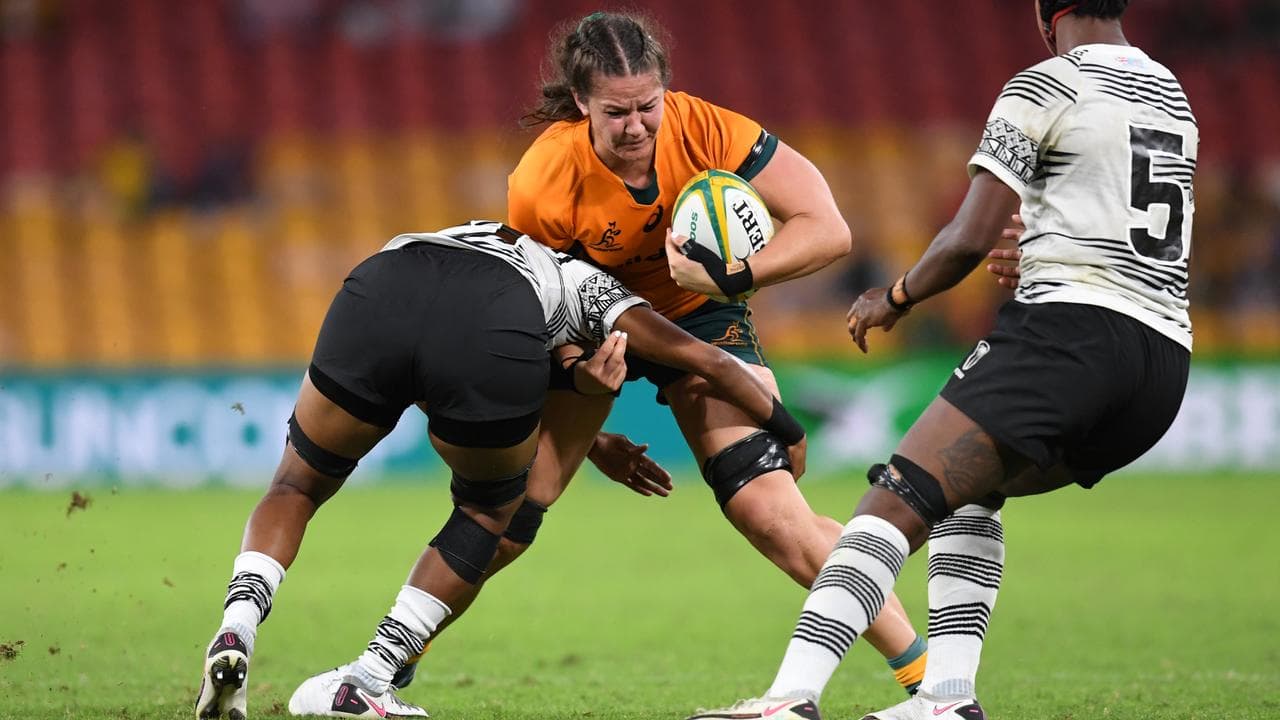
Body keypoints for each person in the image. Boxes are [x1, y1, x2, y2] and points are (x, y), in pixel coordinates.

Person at [688, 1, 1195, 719]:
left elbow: (968, 235)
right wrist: (1049, 246)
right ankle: (946, 700)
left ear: (1046, 14)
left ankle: (789, 698)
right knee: (967, 490)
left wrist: (894, 296)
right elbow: (1136, 233)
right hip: (1162, 362)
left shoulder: (1046, 82)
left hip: (1070, 336)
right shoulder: (1171, 93)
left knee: (893, 499)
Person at [193, 220, 812, 720]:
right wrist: (790, 431)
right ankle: (369, 678)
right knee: (491, 510)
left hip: (382, 282)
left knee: (296, 483)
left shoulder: (495, 240)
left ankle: (236, 628)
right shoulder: (595, 287)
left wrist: (589, 426)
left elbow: (533, 363)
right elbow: (714, 363)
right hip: (489, 320)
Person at [497, 8, 930, 694]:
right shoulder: (542, 180)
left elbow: (828, 227)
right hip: (592, 327)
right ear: (581, 103)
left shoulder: (707, 128)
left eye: (649, 106)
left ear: (666, 90)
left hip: (701, 318)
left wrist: (734, 276)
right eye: (616, 113)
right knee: (511, 514)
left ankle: (931, 686)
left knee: (769, 510)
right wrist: (593, 421)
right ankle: (379, 670)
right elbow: (536, 313)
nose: (638, 125)